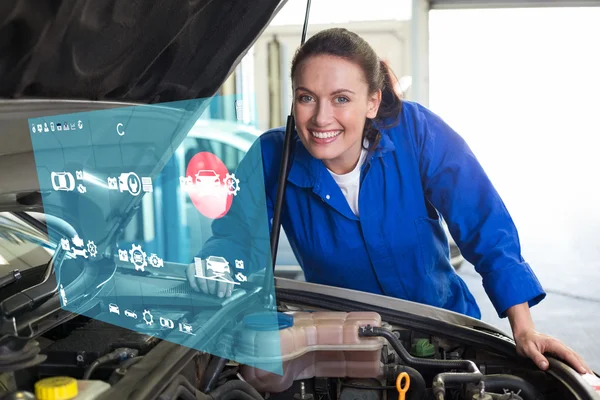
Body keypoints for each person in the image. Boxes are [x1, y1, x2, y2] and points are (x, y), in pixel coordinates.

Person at [187, 27, 591, 374]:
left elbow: (485, 225)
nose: (321, 118)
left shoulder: (417, 132)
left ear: (372, 102)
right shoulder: (271, 156)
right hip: (341, 346)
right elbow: (234, 239)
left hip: (444, 334)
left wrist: (523, 327)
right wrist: (216, 264)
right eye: (307, 97)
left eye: (342, 98)